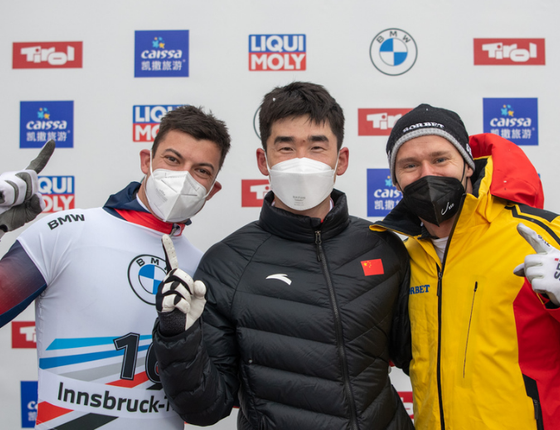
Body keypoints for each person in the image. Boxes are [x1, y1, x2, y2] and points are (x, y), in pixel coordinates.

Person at [0, 105, 231, 429]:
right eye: (172, 159)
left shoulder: (203, 269)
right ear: (147, 161)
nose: (183, 176)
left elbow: (211, 398)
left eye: (201, 170)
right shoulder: (66, 232)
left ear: (213, 189)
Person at [372, 104, 560, 430]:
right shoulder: (404, 256)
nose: (427, 174)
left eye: (440, 159)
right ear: (395, 180)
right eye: (410, 165)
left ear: (467, 165)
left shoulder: (539, 234)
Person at [152, 82, 414, 429]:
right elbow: (206, 408)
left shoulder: (382, 247)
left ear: (342, 159)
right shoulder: (226, 263)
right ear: (264, 160)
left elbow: (426, 358)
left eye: (317, 147)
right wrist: (177, 336)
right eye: (286, 148)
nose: (302, 161)